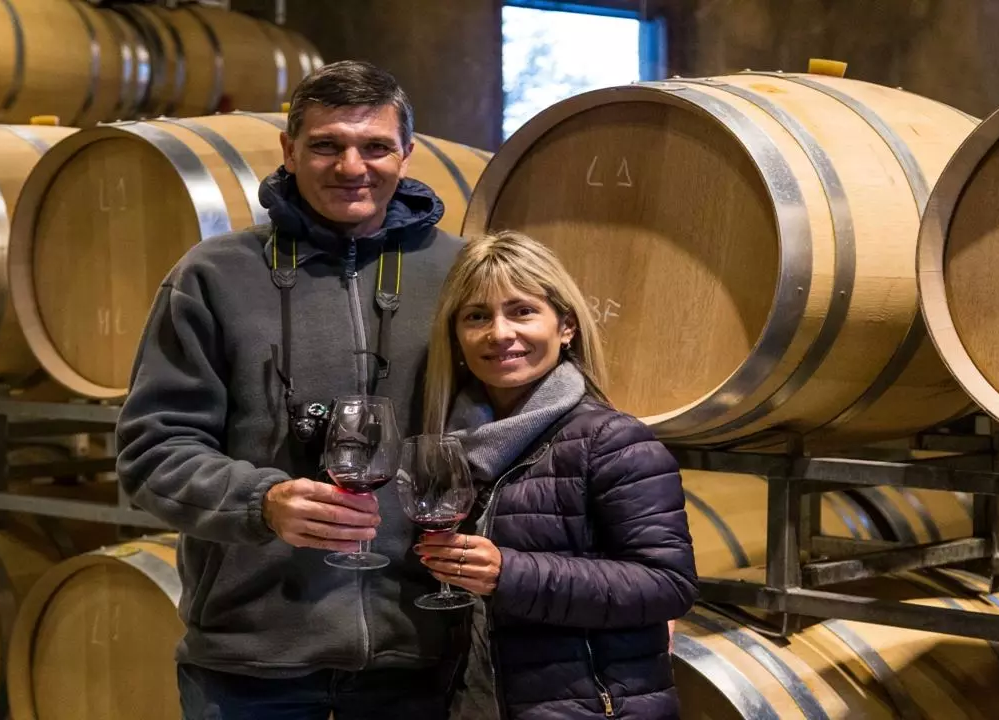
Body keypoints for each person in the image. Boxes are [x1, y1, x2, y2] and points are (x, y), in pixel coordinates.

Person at [115, 60, 466, 719]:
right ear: (289, 150)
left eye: (375, 147)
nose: (352, 167)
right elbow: (151, 452)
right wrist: (261, 501)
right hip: (252, 659)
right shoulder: (214, 275)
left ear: (407, 154)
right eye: (327, 145)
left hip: (422, 653)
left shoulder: (460, 273)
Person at [413, 230, 698, 719]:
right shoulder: (453, 443)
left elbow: (668, 584)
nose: (499, 333)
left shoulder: (611, 439)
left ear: (566, 327)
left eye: (522, 311)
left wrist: (509, 573)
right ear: (456, 336)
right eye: (477, 316)